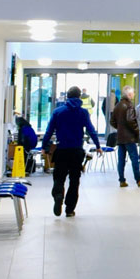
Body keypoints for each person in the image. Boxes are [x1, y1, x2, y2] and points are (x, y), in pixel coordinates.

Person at [41, 86, 102, 217]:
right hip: (76, 151)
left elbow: (49, 131)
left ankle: (58, 195)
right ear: (79, 97)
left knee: (59, 177)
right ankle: (70, 209)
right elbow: (91, 130)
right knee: (74, 181)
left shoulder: (58, 112)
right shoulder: (83, 112)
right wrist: (98, 145)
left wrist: (43, 146)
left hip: (62, 150)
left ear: (67, 97)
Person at [110, 87, 140, 187]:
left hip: (120, 137)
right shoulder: (129, 105)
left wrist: (120, 128)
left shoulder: (118, 105)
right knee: (134, 158)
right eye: (133, 93)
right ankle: (138, 179)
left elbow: (112, 121)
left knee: (121, 160)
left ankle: (122, 180)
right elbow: (131, 120)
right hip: (129, 137)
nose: (134, 95)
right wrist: (136, 131)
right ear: (129, 95)